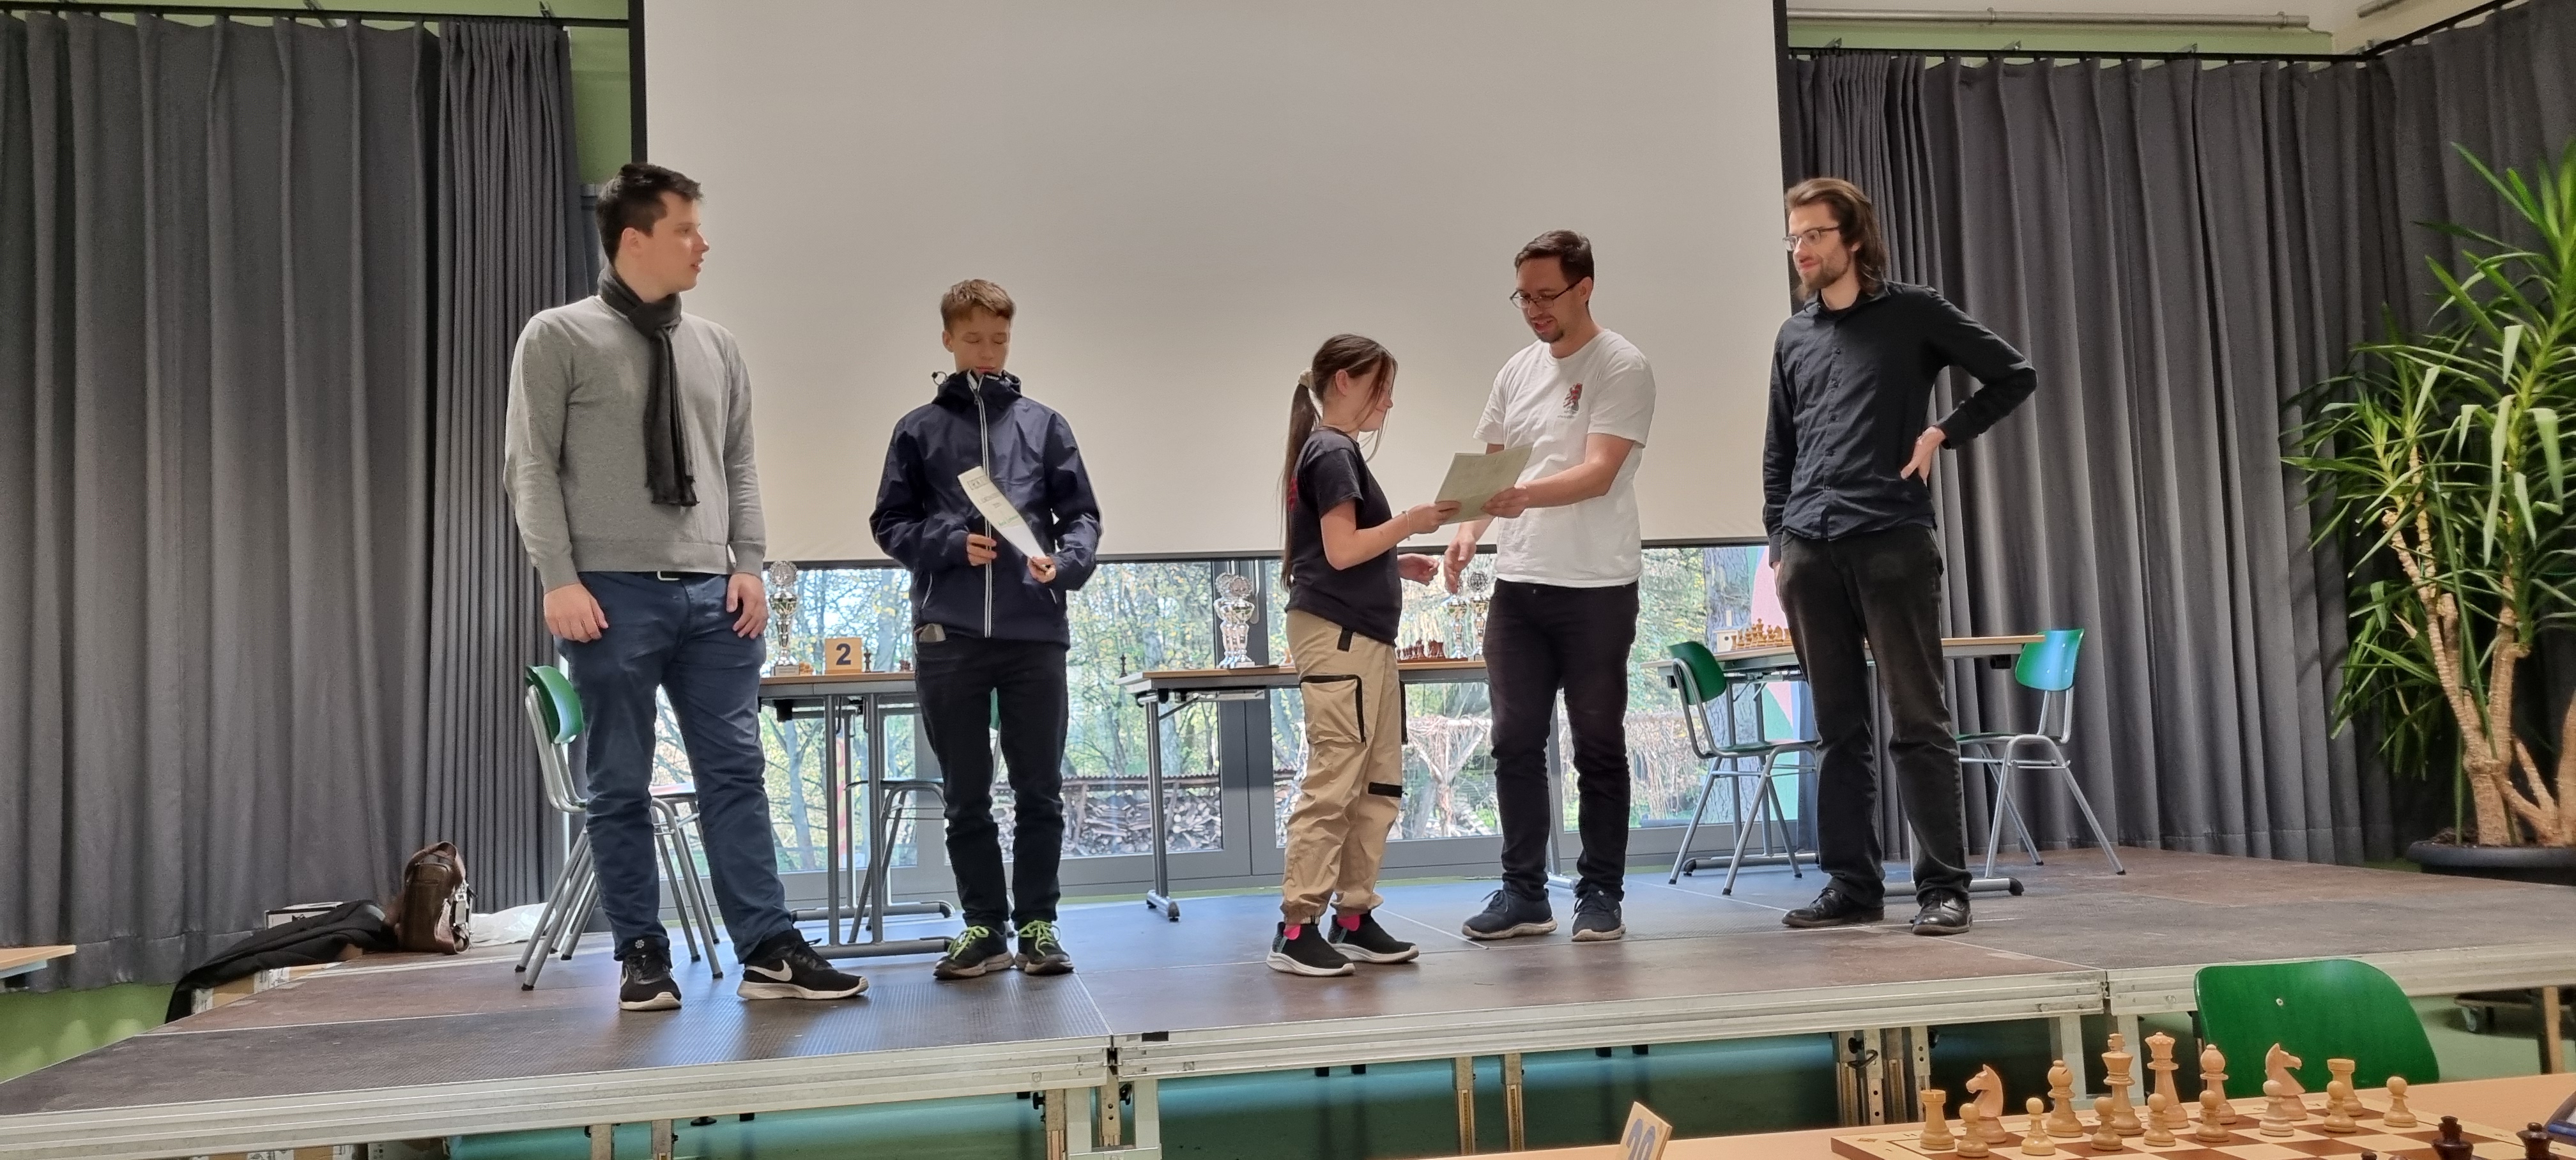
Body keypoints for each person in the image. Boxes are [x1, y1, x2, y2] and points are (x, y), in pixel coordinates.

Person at [506, 162, 867, 1012]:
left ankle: (769, 949)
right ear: (635, 239)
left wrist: (749, 562)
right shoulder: (557, 336)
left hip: (714, 593)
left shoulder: (718, 346)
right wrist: (558, 579)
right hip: (609, 592)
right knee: (619, 781)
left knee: (736, 773)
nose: (703, 244)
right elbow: (531, 466)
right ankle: (642, 953)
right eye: (685, 229)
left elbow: (738, 463)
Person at [1765, 177, 2036, 936]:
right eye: (1794, 237)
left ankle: (1943, 887)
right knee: (1837, 729)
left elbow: (2014, 374)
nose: (1802, 249)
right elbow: (1779, 447)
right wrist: (1780, 542)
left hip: (1891, 539)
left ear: (1853, 238)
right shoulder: (1793, 336)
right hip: (1810, 547)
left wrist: (1944, 431)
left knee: (1918, 720)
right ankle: (1851, 885)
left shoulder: (1914, 312)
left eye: (1815, 234)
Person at [869, 279, 1101, 981]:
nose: (987, 352)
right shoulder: (917, 429)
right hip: (951, 635)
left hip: (1035, 634)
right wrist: (947, 543)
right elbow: (889, 523)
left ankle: (1038, 926)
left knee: (1039, 790)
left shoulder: (1045, 425)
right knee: (965, 795)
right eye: (973, 339)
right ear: (948, 339)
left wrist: (1064, 564)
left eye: (999, 339)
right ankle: (983, 928)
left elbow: (1082, 517)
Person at [1444, 230, 1657, 944]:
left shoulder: (1621, 365)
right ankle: (1524, 893)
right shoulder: (1516, 370)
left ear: (1584, 287)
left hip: (1597, 585)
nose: (1534, 309)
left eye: (1546, 295)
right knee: (1513, 741)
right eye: (1523, 297)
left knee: (1597, 743)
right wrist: (1468, 532)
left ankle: (1601, 894)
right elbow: (1492, 467)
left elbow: (1600, 471)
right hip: (1519, 586)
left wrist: (1525, 496)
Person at [1269, 335, 1459, 977]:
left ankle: (1352, 916)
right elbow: (1342, 549)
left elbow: (1336, 550)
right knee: (1335, 782)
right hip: (1340, 636)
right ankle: (1297, 927)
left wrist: (1394, 561)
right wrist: (1409, 522)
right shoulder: (1332, 450)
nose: (1389, 402)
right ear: (1345, 381)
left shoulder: (1333, 450)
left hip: (1364, 637)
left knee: (1376, 782)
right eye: (1382, 387)